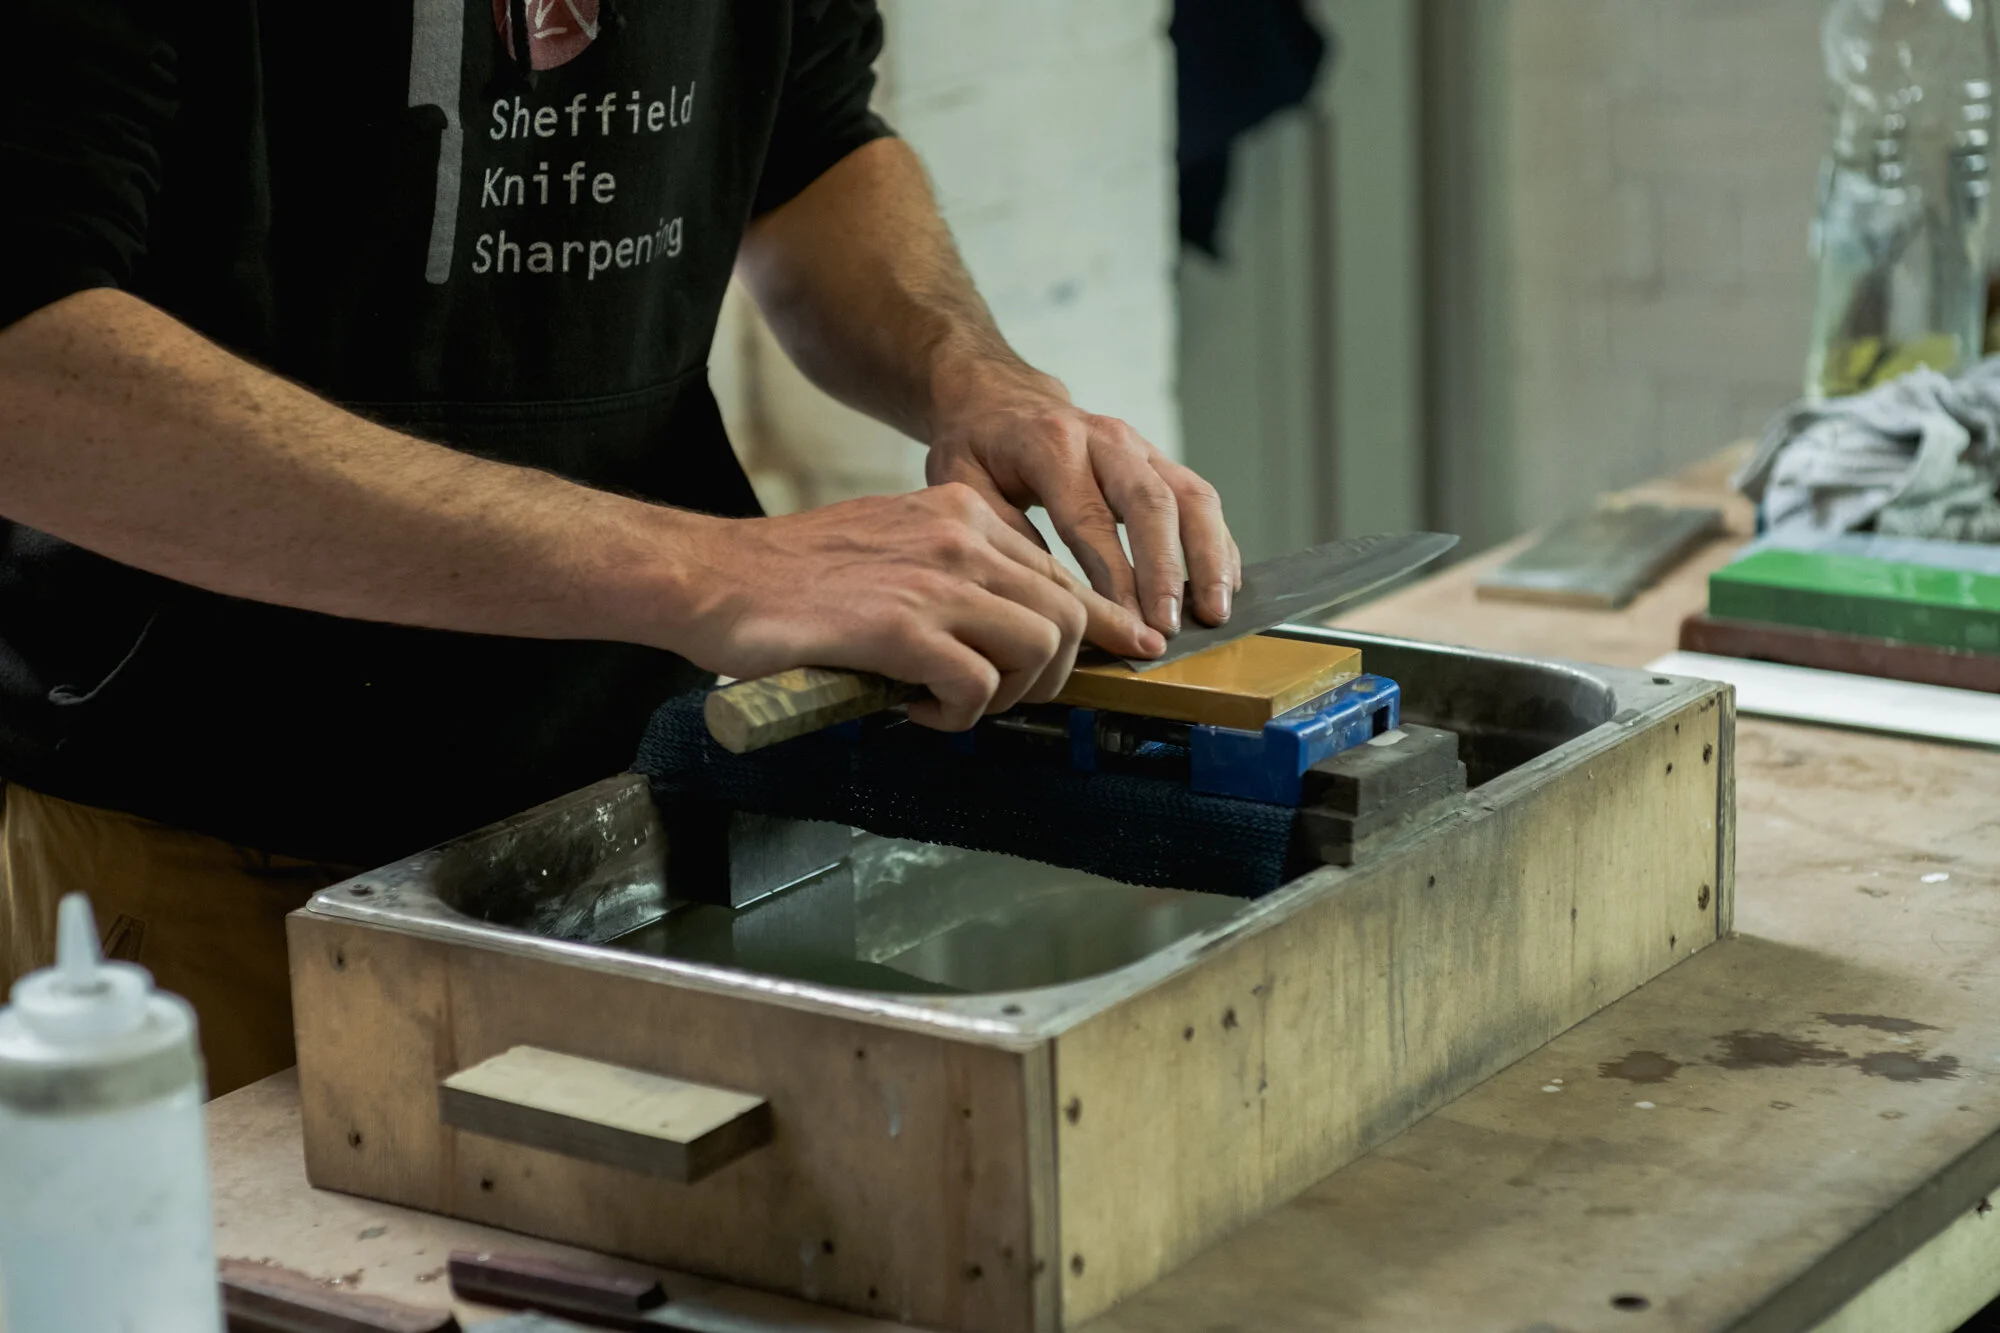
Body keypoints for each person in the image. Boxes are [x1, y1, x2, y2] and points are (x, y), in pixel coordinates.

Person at [0, 1, 1239, 1093]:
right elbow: (27, 378)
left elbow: (804, 142)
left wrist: (971, 374)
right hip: (202, 838)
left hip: (630, 795)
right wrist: (703, 568)